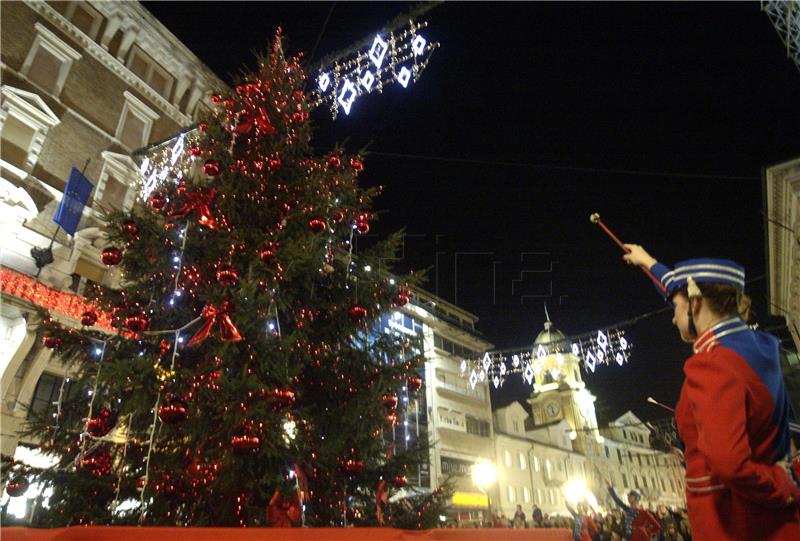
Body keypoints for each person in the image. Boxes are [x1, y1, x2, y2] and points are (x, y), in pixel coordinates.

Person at [623, 245, 800, 540]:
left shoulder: (713, 364)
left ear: (695, 305)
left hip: (738, 524)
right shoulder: (757, 344)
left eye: (677, 308)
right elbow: (686, 295)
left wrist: (782, 483)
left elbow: (730, 464)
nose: (672, 316)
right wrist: (648, 262)